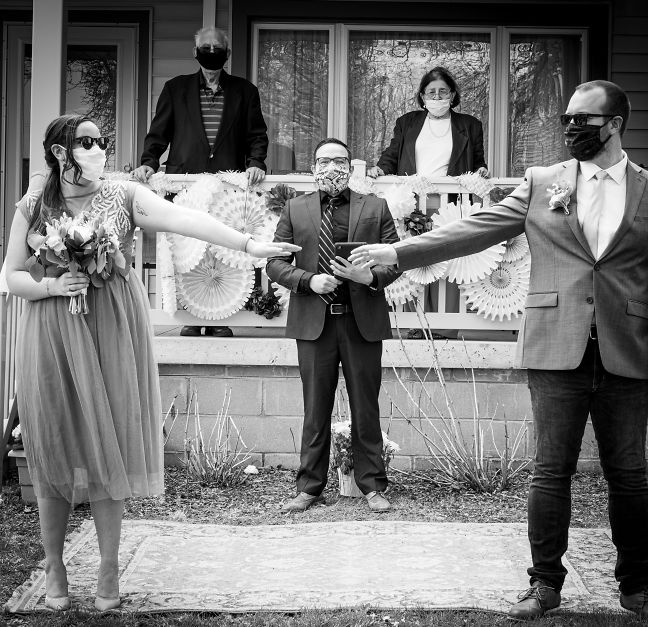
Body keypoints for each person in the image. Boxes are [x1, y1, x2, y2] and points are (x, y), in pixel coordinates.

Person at [351, 80, 648, 624]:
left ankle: (637, 588)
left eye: (584, 120)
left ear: (615, 124)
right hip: (555, 346)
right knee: (550, 471)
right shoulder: (542, 182)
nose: (572, 129)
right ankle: (545, 584)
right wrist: (398, 252)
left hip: (625, 350)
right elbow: (475, 231)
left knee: (628, 474)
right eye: (567, 120)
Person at [5, 114, 298, 612]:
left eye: (102, 141)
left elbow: (186, 220)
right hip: (51, 331)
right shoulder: (36, 204)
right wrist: (52, 284)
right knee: (53, 443)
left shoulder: (123, 195)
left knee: (111, 443)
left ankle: (108, 566)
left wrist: (250, 245)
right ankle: (54, 565)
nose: (99, 149)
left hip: (111, 330)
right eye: (87, 142)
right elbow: (12, 276)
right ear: (59, 152)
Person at [266, 138, 401, 513]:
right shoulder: (295, 208)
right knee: (315, 409)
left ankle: (372, 486)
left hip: (361, 322)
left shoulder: (375, 207)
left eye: (340, 161)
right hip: (315, 324)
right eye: (324, 161)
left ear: (350, 167)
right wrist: (308, 281)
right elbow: (275, 263)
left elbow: (395, 259)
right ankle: (309, 487)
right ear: (313, 168)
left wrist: (367, 276)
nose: (332, 168)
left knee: (366, 407)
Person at [131, 26, 269, 338]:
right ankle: (191, 317)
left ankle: (219, 318)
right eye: (206, 47)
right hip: (185, 185)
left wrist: (256, 162)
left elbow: (257, 136)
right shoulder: (175, 88)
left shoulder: (245, 91)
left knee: (222, 251)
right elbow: (158, 133)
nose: (211, 52)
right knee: (187, 251)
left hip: (227, 187)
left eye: (217, 47)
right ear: (195, 52)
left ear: (227, 53)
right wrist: (149, 162)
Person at [367, 66, 489, 338]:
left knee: (448, 261)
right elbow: (392, 155)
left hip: (449, 205)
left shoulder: (470, 125)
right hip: (412, 205)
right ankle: (415, 324)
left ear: (453, 95)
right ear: (422, 96)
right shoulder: (407, 122)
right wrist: (380, 170)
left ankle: (445, 327)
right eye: (431, 92)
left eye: (442, 91)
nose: (437, 97)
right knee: (413, 262)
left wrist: (481, 171)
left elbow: (478, 161)